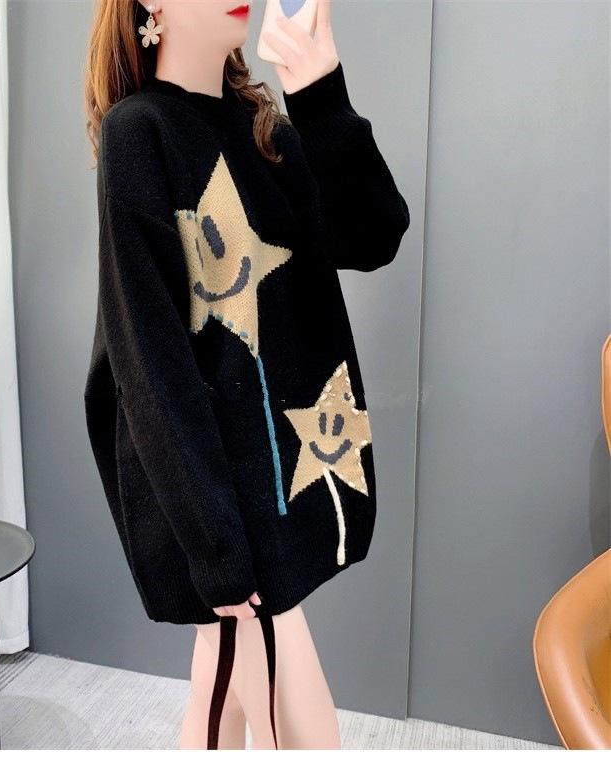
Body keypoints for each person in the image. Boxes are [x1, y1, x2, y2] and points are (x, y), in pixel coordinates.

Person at [83, 0, 410, 749]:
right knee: (291, 719)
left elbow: (372, 237)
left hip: (279, 469)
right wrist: (215, 545)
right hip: (211, 487)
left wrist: (321, 94)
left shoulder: (266, 130)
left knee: (223, 686)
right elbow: (148, 359)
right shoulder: (140, 133)